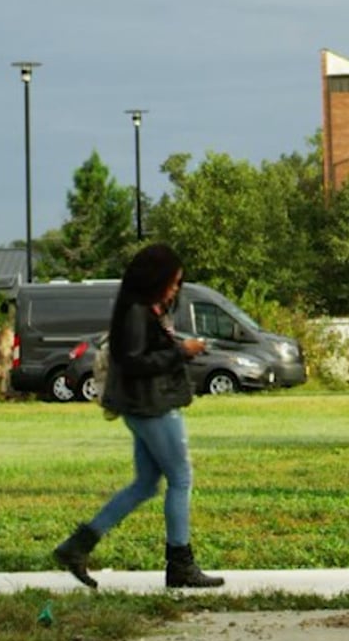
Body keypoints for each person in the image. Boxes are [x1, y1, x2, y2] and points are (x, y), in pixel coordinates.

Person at [51, 243, 224, 589]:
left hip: (144, 406)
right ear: (154, 279)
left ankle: (77, 546)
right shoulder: (136, 311)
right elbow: (133, 361)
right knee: (181, 479)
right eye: (172, 282)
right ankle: (180, 564)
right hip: (152, 406)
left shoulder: (144, 309)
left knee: (146, 484)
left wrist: (178, 347)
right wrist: (180, 352)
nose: (176, 289)